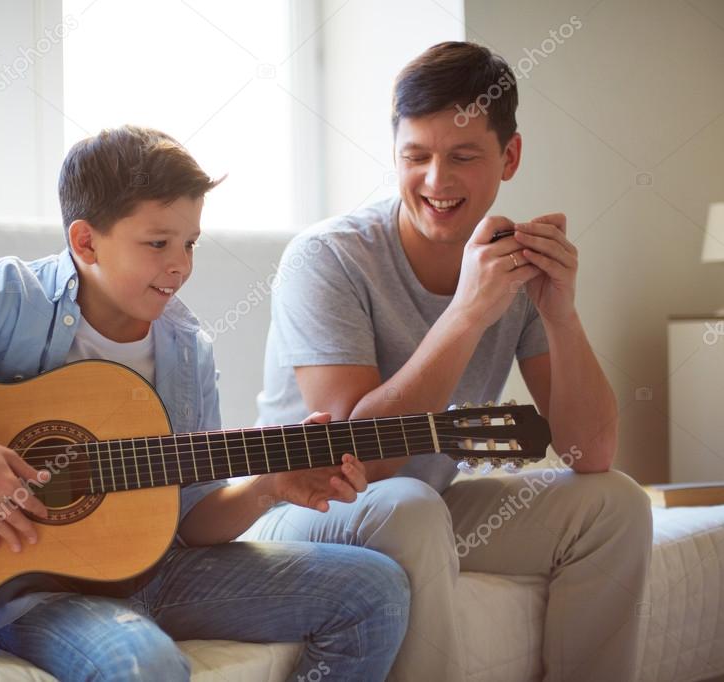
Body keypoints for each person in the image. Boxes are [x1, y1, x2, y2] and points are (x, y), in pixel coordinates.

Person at [0, 124, 411, 681]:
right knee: (141, 665)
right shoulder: (6, 296)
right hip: (17, 583)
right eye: (158, 243)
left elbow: (190, 521)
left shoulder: (186, 350)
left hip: (154, 572)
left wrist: (266, 487)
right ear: (86, 242)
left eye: (191, 244)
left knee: (375, 588)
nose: (180, 267)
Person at [240, 42, 652, 682]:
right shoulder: (327, 259)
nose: (436, 181)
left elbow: (588, 454)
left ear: (509, 157)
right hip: (306, 512)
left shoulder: (512, 265)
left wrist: (561, 315)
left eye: (462, 156)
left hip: (424, 509)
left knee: (616, 503)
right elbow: (356, 460)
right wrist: (466, 314)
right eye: (416, 157)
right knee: (408, 504)